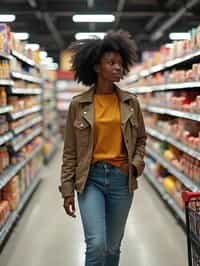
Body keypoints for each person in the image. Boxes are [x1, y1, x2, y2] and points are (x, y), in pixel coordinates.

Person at [59, 30, 147, 266]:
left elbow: (140, 139)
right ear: (97, 67)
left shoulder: (130, 102)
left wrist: (136, 166)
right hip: (90, 179)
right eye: (111, 63)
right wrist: (67, 188)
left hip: (121, 179)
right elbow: (70, 150)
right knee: (96, 244)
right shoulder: (78, 105)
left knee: (112, 247)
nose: (118, 67)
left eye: (120, 63)